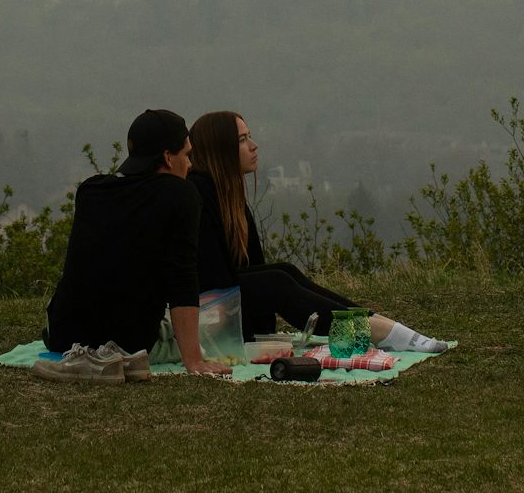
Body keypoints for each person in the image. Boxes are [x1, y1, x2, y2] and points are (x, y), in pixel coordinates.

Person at [187, 110, 446, 353]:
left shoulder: (229, 197)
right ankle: (377, 331)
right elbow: (212, 279)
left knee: (284, 271)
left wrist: (259, 332)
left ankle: (376, 325)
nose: (254, 146)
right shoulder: (198, 194)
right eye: (242, 140)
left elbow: (250, 267)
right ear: (220, 150)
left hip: (220, 305)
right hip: (200, 314)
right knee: (277, 281)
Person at [43, 109, 229, 376]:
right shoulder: (181, 194)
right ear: (167, 157)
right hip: (128, 343)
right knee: (218, 318)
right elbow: (182, 277)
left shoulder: (91, 190)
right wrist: (194, 360)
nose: (190, 164)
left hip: (63, 335)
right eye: (186, 155)